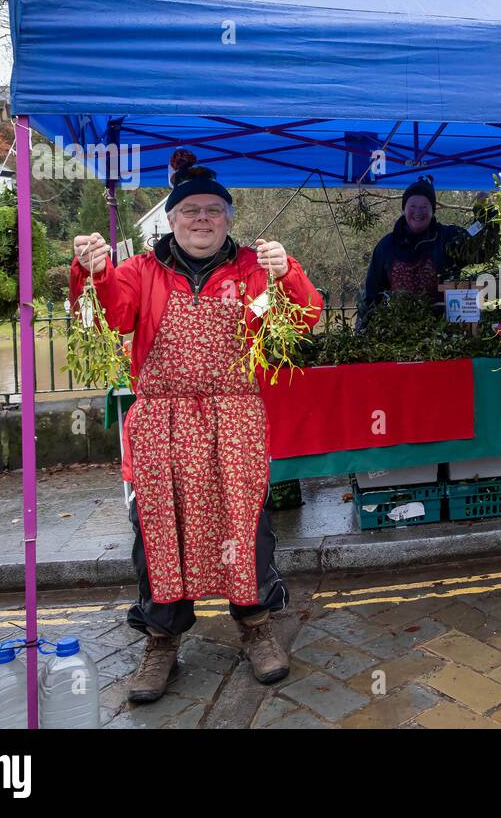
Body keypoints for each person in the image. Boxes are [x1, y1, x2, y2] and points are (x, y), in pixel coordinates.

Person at [70, 149, 323, 704]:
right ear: (172, 218)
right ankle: (162, 639)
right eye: (191, 210)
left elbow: (307, 316)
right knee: (159, 527)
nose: (202, 218)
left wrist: (290, 273)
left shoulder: (255, 267)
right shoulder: (139, 270)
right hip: (161, 418)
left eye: (214, 210)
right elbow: (112, 314)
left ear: (229, 218)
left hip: (234, 415)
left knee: (244, 523)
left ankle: (257, 626)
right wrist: (92, 270)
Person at [357, 175, 499, 325]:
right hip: (399, 331)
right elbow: (372, 294)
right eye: (412, 206)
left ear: (433, 211)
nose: (418, 212)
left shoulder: (449, 238)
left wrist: (485, 212)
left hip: (445, 330)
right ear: (404, 209)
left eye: (424, 207)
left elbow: (481, 250)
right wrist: (367, 327)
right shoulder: (386, 246)